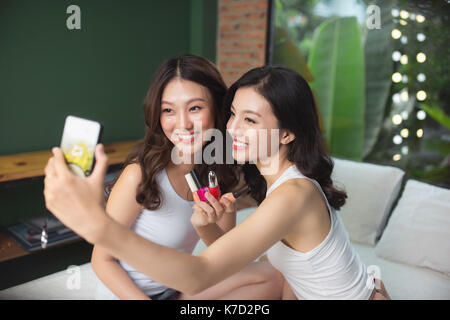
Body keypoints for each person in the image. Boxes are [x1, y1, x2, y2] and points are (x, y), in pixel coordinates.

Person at [44, 65, 390, 300]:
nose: (233, 128)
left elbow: (200, 274)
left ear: (286, 133)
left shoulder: (292, 195)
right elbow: (267, 269)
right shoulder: (281, 185)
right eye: (234, 114)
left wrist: (97, 226)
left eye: (250, 120)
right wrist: (207, 227)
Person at [87, 55, 283, 300]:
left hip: (175, 291)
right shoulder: (139, 174)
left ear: (217, 108)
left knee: (273, 277)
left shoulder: (217, 172)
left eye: (195, 108)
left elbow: (223, 256)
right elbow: (102, 260)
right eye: (168, 110)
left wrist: (207, 223)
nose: (183, 124)